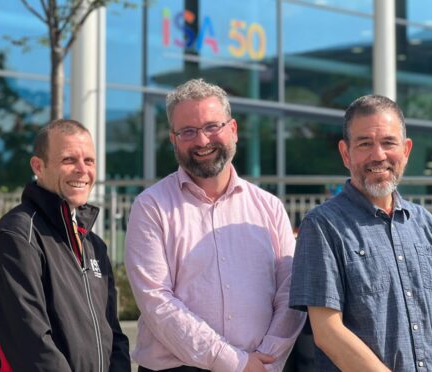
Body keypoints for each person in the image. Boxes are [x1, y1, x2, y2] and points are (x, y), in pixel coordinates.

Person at [125, 78, 306, 372]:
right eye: (188, 132)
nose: (202, 141)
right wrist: (236, 363)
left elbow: (290, 292)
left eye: (212, 127)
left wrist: (267, 360)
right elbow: (156, 302)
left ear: (232, 129)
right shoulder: (151, 207)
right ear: (173, 139)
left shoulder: (269, 207)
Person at [289, 95, 432, 371]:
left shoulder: (426, 224)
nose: (378, 155)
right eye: (364, 144)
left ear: (406, 150)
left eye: (388, 143)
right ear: (346, 153)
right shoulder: (322, 226)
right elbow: (327, 331)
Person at [0, 119, 130, 371]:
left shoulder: (94, 245)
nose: (82, 170)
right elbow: (30, 342)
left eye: (89, 161)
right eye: (69, 160)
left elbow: (113, 334)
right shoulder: (16, 236)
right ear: (38, 166)